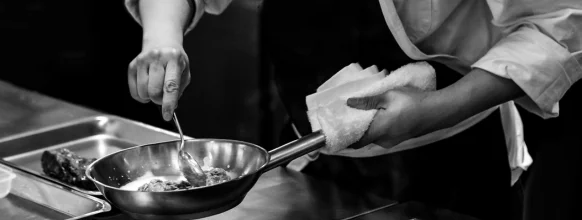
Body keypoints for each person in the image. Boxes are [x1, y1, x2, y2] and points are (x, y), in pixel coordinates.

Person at [125, 0, 582, 219]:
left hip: (452, 162)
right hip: (314, 164)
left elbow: (559, 24)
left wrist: (439, 108)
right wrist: (162, 40)